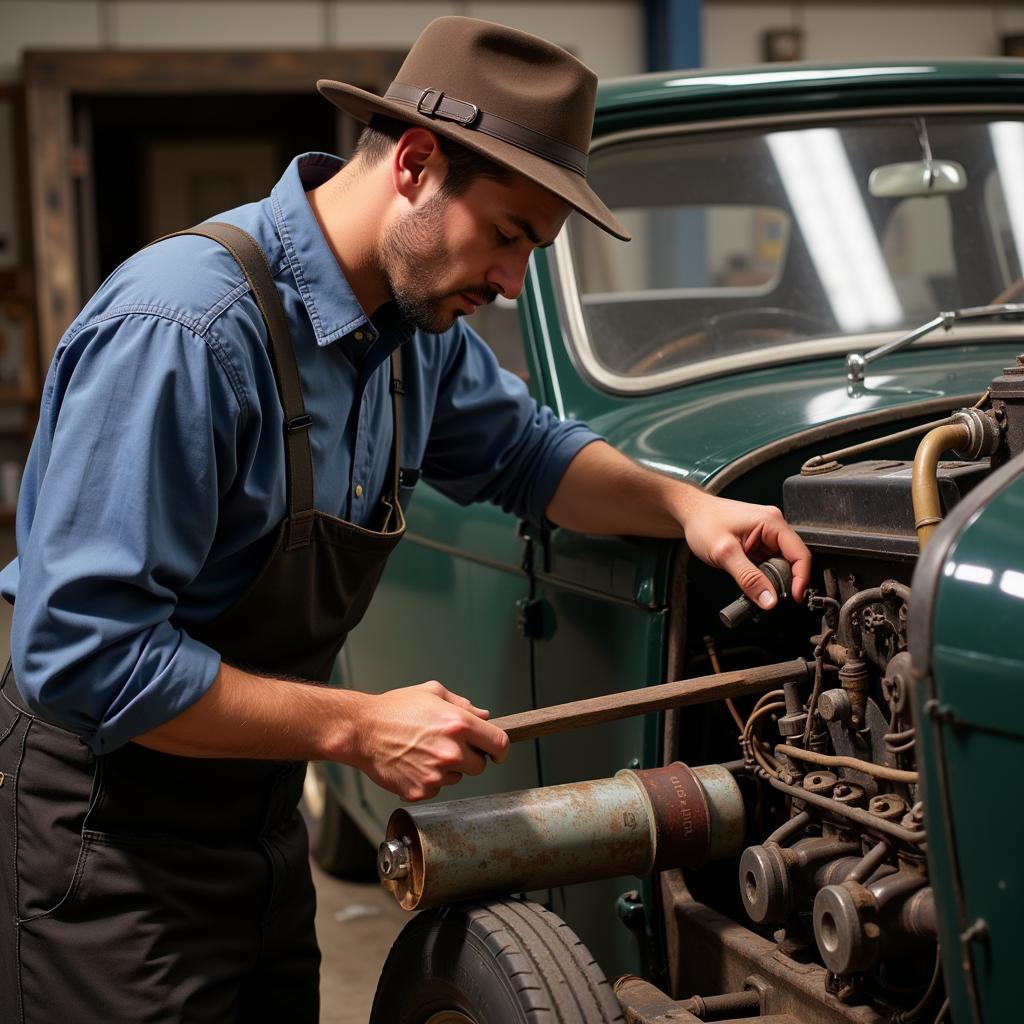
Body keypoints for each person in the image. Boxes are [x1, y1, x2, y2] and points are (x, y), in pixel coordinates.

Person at [0, 16, 811, 1022]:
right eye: (509, 235)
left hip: (255, 823)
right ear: (416, 164)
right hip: (108, 841)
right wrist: (357, 724)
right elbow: (84, 654)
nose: (512, 281)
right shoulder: (183, 332)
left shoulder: (408, 332)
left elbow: (530, 455)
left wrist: (688, 507)